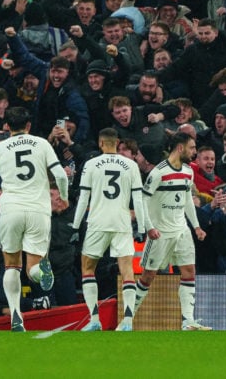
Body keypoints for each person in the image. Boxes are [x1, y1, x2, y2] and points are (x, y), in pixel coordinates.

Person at [0, 106, 70, 332]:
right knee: (32, 266)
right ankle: (39, 272)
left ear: (6, 126)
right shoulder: (42, 144)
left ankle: (16, 317)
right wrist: (63, 197)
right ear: (28, 126)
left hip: (11, 211)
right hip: (38, 210)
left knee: (11, 266)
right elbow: (61, 174)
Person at [70, 127, 150, 332]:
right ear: (117, 142)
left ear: (100, 142)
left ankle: (94, 320)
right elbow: (138, 199)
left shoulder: (91, 164)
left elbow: (83, 198)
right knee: (127, 270)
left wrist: (76, 226)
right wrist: (141, 226)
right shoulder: (131, 165)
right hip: (122, 222)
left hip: (97, 222)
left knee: (88, 269)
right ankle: (128, 321)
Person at [134, 131, 210, 331]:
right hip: (160, 232)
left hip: (181, 230)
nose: (194, 152)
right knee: (148, 276)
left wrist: (196, 226)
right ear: (180, 148)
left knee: (189, 272)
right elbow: (143, 199)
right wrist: (149, 227)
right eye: (192, 148)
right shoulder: (158, 172)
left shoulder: (188, 171)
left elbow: (186, 200)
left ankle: (188, 321)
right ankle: (127, 319)